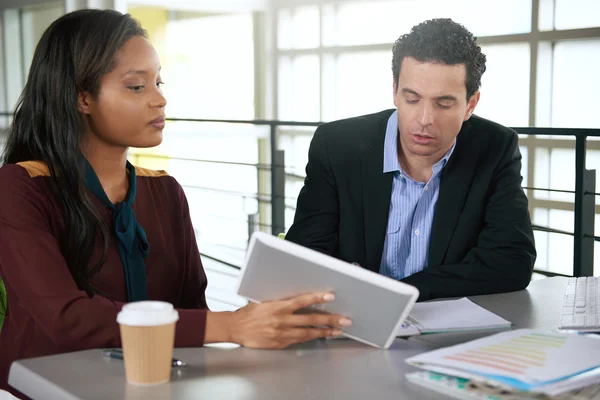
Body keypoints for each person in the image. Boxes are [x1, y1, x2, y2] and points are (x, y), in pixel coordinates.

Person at [0, 9, 351, 395]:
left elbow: (192, 309)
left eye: (158, 82)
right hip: (45, 387)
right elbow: (65, 318)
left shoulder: (164, 191)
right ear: (83, 98)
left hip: (154, 384)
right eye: (137, 87)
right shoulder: (19, 187)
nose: (160, 99)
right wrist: (233, 325)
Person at [286, 18, 536, 301]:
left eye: (443, 103)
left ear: (470, 104)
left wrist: (400, 293)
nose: (424, 120)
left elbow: (512, 262)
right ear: (394, 91)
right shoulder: (336, 145)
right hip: (349, 320)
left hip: (444, 326)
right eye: (412, 99)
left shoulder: (495, 147)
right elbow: (306, 253)